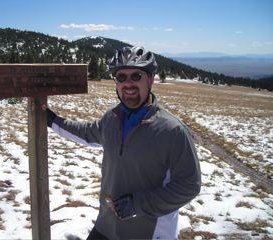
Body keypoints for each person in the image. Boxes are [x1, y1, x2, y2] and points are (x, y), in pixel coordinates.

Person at [44, 46, 201, 239]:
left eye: (136, 76)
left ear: (151, 79)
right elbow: (86, 132)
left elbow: (189, 185)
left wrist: (138, 205)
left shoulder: (172, 131)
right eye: (121, 77)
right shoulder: (112, 118)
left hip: (148, 232)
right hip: (107, 225)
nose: (128, 84)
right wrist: (52, 120)